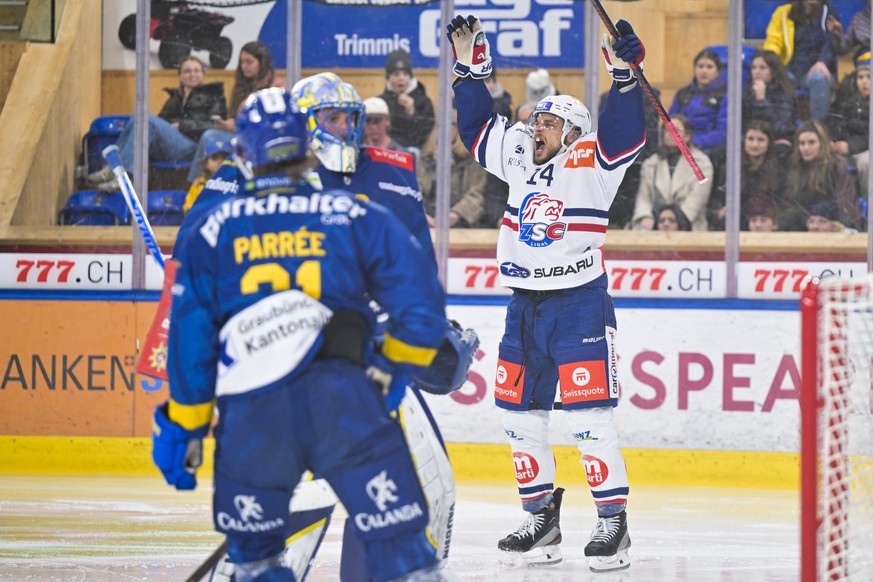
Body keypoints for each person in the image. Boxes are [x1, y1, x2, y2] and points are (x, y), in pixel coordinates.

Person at [153, 87, 451, 582]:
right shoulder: (353, 214)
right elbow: (423, 310)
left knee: (256, 564)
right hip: (347, 407)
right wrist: (388, 368)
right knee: (401, 552)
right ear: (305, 145)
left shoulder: (213, 229)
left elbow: (190, 344)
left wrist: (183, 424)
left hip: (254, 419)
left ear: (244, 152)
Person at [449, 13, 646, 572]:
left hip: (579, 302)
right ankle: (541, 521)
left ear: (574, 135)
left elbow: (626, 131)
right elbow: (476, 128)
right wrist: (470, 69)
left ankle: (613, 525)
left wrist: (626, 77)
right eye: (536, 120)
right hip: (523, 306)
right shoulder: (517, 152)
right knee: (518, 414)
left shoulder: (594, 164)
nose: (536, 128)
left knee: (589, 419)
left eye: (550, 123)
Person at [87, 56, 226, 191]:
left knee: (144, 117)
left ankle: (121, 173)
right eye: (187, 71)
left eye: (196, 70)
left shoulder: (214, 96)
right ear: (180, 76)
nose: (192, 74)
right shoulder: (174, 99)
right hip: (170, 147)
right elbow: (158, 125)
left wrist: (182, 125)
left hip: (193, 147)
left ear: (203, 74)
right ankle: (117, 171)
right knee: (140, 120)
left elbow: (214, 126)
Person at [186, 41, 279, 183]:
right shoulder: (243, 86)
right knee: (210, 136)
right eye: (242, 62)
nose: (244, 66)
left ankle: (195, 184)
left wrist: (236, 126)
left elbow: (271, 126)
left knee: (209, 137)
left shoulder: (275, 88)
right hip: (239, 137)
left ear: (262, 63)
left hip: (260, 143)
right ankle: (199, 185)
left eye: (249, 62)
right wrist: (227, 125)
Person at [763, 0, 843, 122]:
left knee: (819, 78)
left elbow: (830, 43)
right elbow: (773, 44)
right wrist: (775, 63)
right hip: (791, 70)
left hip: (817, 71)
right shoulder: (783, 13)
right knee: (776, 79)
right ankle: (783, 127)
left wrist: (822, 61)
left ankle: (817, 127)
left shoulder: (829, 12)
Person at [631, 114, 713, 231]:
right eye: (666, 130)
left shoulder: (702, 163)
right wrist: (646, 217)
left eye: (676, 130)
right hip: (656, 224)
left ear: (688, 136)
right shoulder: (650, 164)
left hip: (689, 226)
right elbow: (644, 197)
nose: (670, 133)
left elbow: (697, 199)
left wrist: (675, 220)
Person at [782, 120, 860, 230]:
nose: (806, 148)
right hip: (801, 228)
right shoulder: (795, 167)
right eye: (802, 143)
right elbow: (788, 203)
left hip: (831, 228)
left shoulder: (837, 166)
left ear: (822, 144)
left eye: (811, 142)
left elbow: (847, 207)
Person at [708, 120, 785, 230]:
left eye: (761, 140)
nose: (755, 144)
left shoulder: (778, 170)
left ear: (769, 143)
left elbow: (781, 203)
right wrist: (719, 212)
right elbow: (718, 199)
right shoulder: (730, 168)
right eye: (750, 139)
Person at [417, 111, 487, 228]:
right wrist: (421, 213)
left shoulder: (471, 161)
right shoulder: (424, 159)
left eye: (451, 124)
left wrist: (456, 214)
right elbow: (415, 189)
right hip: (427, 218)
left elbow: (476, 195)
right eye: (441, 125)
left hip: (460, 220)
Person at [668, 49, 727, 161]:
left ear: (718, 72)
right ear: (695, 69)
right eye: (700, 66)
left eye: (709, 67)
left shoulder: (724, 95)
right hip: (679, 146)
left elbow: (722, 132)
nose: (704, 71)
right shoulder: (682, 93)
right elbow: (670, 122)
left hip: (708, 150)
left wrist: (693, 142)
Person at [827, 50, 871, 191]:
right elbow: (837, 122)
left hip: (864, 149)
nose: (864, 81)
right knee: (833, 161)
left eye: (869, 77)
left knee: (866, 162)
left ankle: (868, 203)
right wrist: (833, 141)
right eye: (860, 77)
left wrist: (850, 146)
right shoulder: (848, 100)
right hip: (848, 147)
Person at [378, 49, 435, 150]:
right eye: (396, 74)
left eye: (405, 74)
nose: (401, 78)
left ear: (410, 77)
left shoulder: (423, 102)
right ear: (388, 78)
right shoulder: (380, 103)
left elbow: (425, 136)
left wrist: (412, 113)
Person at [743, 49, 797, 149]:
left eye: (762, 68)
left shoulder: (784, 93)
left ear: (773, 72)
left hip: (774, 140)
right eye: (754, 68)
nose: (757, 72)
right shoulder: (746, 92)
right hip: (750, 140)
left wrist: (762, 100)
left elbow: (781, 129)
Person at [182, 137, 231, 213]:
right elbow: (188, 208)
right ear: (206, 164)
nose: (219, 162)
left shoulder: (237, 181)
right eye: (215, 158)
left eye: (224, 158)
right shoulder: (199, 183)